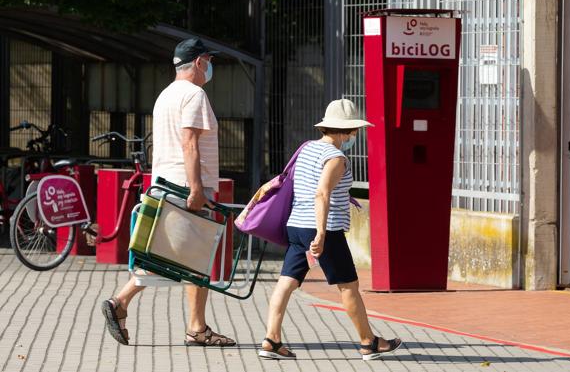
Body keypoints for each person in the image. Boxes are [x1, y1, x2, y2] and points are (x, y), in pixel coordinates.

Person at [101, 38, 235, 347]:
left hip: (165, 183)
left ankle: (195, 326)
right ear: (200, 62)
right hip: (185, 187)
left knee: (182, 257)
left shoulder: (166, 95)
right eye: (209, 60)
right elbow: (189, 142)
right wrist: (197, 187)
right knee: (190, 256)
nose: (210, 66)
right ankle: (122, 303)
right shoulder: (194, 94)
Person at [259, 99, 402, 361]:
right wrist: (322, 235)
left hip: (297, 225)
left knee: (286, 283)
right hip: (324, 229)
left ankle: (271, 339)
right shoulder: (335, 158)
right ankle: (368, 342)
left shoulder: (306, 149)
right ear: (344, 131)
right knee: (349, 286)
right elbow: (321, 194)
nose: (355, 136)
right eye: (354, 131)